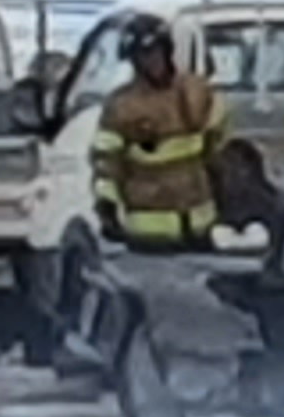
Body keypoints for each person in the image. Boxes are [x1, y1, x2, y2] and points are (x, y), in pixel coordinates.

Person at [92, 21, 233, 251]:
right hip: (149, 233)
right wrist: (107, 207)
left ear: (168, 50)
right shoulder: (122, 106)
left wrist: (227, 194)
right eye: (143, 56)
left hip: (200, 226)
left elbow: (218, 147)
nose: (152, 62)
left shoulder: (195, 91)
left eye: (155, 52)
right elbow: (107, 162)